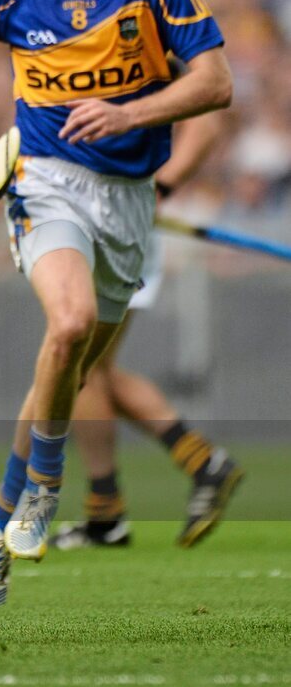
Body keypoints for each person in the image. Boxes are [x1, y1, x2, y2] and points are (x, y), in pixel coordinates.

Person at [0, 0, 233, 607]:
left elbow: (215, 83)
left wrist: (130, 114)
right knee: (66, 326)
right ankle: (44, 485)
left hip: (129, 201)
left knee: (68, 369)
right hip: (46, 182)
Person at [54, 110, 245, 551]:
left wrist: (162, 187)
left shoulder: (141, 63)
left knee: (78, 365)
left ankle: (107, 511)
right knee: (91, 367)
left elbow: (206, 125)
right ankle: (200, 465)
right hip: (90, 223)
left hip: (115, 228)